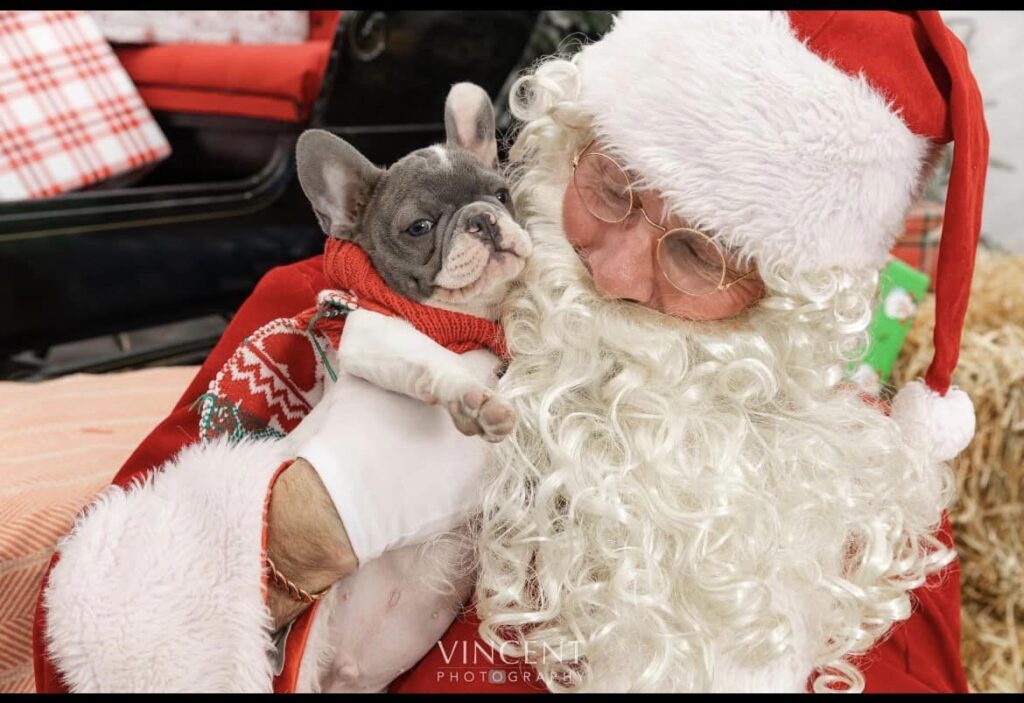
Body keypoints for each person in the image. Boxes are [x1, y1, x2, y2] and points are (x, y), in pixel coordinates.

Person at [33, 10, 986, 693]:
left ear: (788, 302)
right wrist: (287, 539)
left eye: (699, 252)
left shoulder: (862, 501)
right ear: (566, 141)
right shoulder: (335, 313)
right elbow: (70, 655)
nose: (612, 270)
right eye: (610, 186)